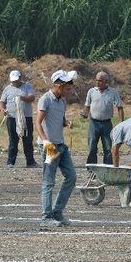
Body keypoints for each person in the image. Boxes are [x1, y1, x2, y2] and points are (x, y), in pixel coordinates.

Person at [34, 69, 78, 227]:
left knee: (71, 177)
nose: (70, 90)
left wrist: (67, 123)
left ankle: (57, 212)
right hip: (49, 146)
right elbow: (38, 123)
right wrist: (45, 141)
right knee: (48, 182)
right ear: (58, 85)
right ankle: (46, 217)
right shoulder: (45, 99)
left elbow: (61, 119)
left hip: (61, 145)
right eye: (67, 88)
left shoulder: (63, 101)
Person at [81, 71, 124, 164]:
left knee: (108, 147)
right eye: (96, 80)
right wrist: (85, 113)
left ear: (106, 81)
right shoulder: (91, 91)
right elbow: (87, 106)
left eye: (100, 81)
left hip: (107, 123)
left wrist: (121, 123)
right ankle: (91, 168)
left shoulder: (112, 92)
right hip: (94, 123)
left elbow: (119, 107)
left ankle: (107, 168)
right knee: (92, 146)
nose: (97, 82)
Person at [0, 70, 38, 168]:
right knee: (13, 140)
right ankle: (10, 162)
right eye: (13, 81)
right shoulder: (7, 89)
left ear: (20, 78)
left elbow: (32, 97)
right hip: (12, 118)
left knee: (28, 139)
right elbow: (2, 102)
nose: (14, 83)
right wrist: (2, 109)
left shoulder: (27, 87)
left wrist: (22, 98)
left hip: (26, 117)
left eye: (16, 80)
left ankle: (30, 162)